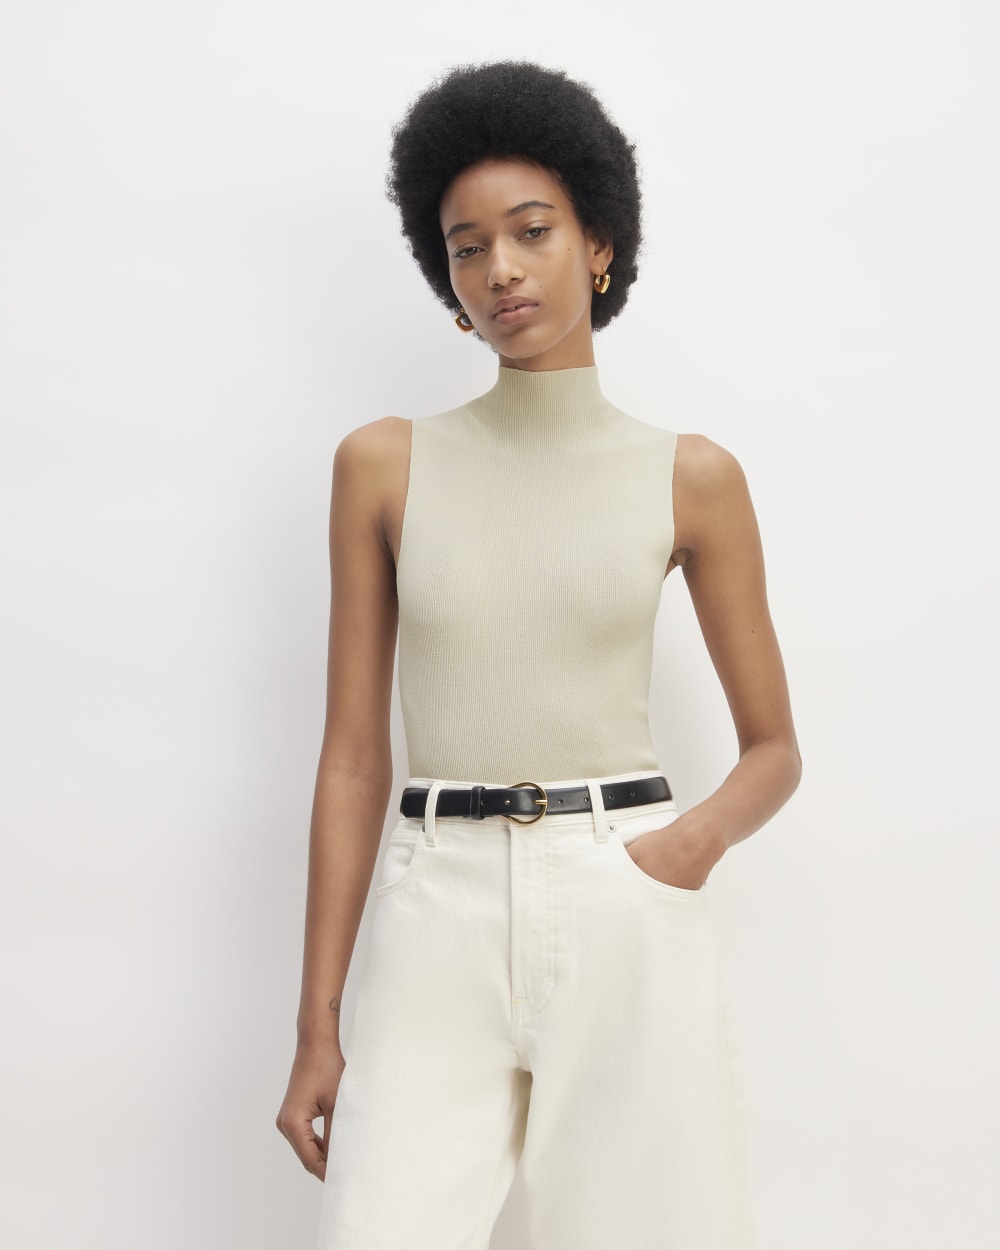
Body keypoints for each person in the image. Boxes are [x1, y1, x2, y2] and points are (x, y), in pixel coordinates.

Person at [276, 60, 801, 1250]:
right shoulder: (382, 465)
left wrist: (672, 853)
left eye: (531, 231)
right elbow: (353, 758)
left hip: (623, 890)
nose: (500, 269)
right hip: (434, 901)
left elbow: (773, 749)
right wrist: (317, 1024)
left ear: (597, 244)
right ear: (448, 283)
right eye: (466, 249)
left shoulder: (692, 477)